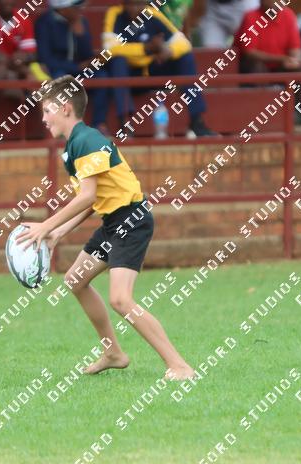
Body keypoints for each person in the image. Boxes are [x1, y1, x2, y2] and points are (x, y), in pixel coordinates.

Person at [17, 75, 196, 381]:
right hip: (114, 221)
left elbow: (87, 196)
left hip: (131, 219)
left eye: (47, 111)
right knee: (75, 280)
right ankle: (113, 353)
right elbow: (92, 199)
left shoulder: (86, 141)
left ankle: (180, 366)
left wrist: (45, 225)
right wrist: (57, 232)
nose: (43, 118)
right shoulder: (74, 145)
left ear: (65, 108)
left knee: (121, 300)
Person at [103, 0, 217, 138]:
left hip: (153, 71)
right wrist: (146, 49)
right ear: (124, 4)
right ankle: (125, 122)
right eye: (131, 4)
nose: (134, 8)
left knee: (185, 58)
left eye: (139, 4)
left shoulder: (152, 14)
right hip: (130, 75)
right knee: (118, 61)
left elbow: (183, 43)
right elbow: (109, 48)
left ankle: (197, 121)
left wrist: (168, 51)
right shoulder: (115, 14)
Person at [35, 0, 119, 135]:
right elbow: (46, 59)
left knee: (102, 77)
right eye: (75, 6)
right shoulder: (45, 22)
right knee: (60, 79)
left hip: (79, 69)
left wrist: (81, 36)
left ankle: (98, 124)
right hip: (57, 69)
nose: (80, 9)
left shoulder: (80, 21)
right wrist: (76, 67)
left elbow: (86, 54)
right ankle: (64, 128)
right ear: (62, 9)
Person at [234, 0, 301, 131]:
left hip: (280, 66)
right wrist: (283, 59)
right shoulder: (250, 16)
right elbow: (249, 52)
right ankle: (261, 122)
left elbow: (295, 48)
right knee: (256, 67)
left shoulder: (288, 15)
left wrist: (294, 60)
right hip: (254, 66)